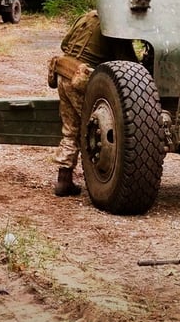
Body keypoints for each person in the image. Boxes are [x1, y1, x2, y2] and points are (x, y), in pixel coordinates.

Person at [49, 10, 137, 197]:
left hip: (63, 73)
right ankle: (103, 178)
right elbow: (127, 62)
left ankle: (64, 180)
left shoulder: (86, 16)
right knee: (98, 127)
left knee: (71, 129)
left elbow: (65, 44)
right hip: (81, 79)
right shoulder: (114, 23)